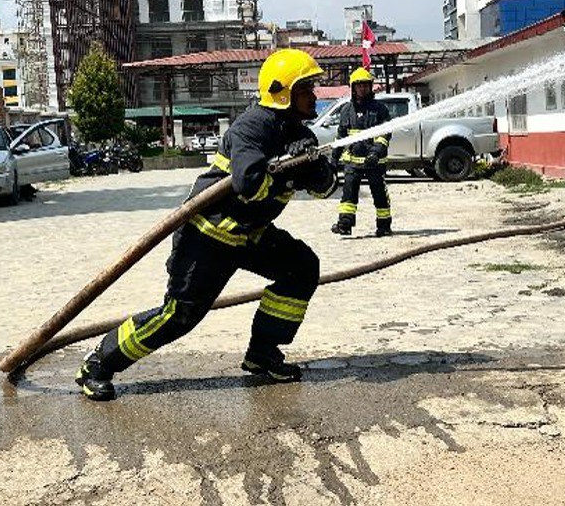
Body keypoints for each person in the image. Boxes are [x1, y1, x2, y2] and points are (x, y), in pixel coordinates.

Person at [75, 49, 338, 401]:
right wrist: (289, 172)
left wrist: (317, 172)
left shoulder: (296, 132)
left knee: (302, 268)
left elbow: (322, 191)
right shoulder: (252, 127)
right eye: (307, 89)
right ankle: (98, 365)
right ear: (284, 91)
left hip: (249, 235)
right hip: (208, 237)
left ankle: (263, 353)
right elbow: (250, 185)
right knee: (179, 317)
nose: (315, 96)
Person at [331, 67, 393, 237]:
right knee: (348, 195)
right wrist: (334, 158)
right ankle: (345, 225)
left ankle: (384, 226)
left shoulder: (380, 109)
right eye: (359, 85)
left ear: (370, 86)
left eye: (366, 85)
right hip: (353, 162)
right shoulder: (346, 110)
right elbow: (341, 136)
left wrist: (375, 153)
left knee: (379, 195)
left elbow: (384, 134)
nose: (362, 88)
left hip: (374, 163)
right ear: (353, 87)